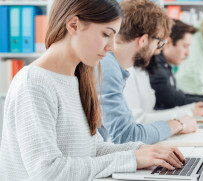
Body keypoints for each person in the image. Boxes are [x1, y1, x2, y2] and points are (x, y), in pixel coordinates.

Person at [0, 0, 186, 180]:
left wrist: (142, 150)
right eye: (106, 34)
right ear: (73, 25)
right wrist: (132, 159)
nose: (112, 47)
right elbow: (48, 172)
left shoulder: (78, 77)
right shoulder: (33, 83)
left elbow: (93, 148)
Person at [97, 0, 197, 145]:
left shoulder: (115, 67)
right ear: (143, 40)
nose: (158, 50)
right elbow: (126, 137)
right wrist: (178, 124)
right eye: (159, 43)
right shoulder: (108, 66)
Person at [123, 50, 203, 124]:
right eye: (159, 41)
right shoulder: (129, 71)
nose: (159, 49)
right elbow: (139, 120)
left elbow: (151, 113)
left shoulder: (143, 69)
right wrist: (187, 114)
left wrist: (191, 108)